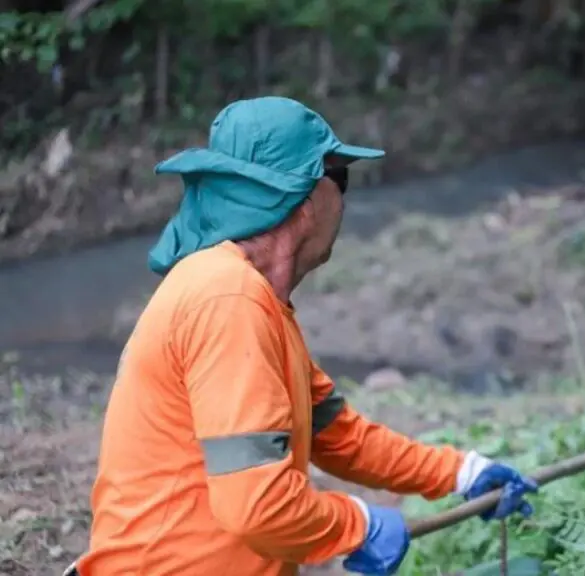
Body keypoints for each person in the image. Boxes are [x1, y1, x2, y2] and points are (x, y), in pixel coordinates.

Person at [67, 97, 536, 576]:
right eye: (342, 179)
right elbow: (256, 504)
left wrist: (461, 472)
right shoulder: (228, 298)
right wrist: (358, 525)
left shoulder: (258, 303)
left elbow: (337, 434)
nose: (345, 202)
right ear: (306, 197)